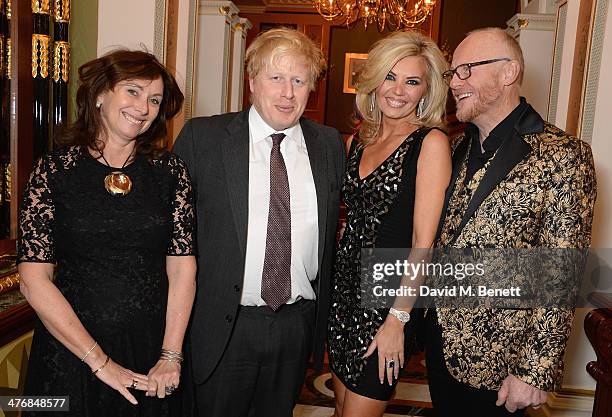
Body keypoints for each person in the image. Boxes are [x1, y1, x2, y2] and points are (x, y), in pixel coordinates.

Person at [172, 27, 344, 417]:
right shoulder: (204, 138)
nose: (288, 93)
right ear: (252, 82)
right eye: (276, 78)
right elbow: (169, 233)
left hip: (296, 324)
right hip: (222, 324)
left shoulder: (329, 144)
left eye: (299, 81)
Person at [425, 27, 597, 416]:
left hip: (501, 368)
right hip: (439, 345)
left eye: (466, 69)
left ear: (508, 72)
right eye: (453, 73)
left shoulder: (563, 155)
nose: (455, 83)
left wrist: (535, 371)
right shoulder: (454, 147)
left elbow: (562, 274)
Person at [17, 49, 196, 416]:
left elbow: (182, 270)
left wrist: (171, 356)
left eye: (154, 100)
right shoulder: (53, 173)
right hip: (69, 355)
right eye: (133, 91)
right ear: (100, 94)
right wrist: (100, 363)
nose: (143, 107)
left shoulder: (170, 173)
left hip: (152, 357)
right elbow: (34, 281)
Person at [328, 30, 451, 417]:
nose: (398, 90)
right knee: (341, 404)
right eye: (390, 77)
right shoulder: (357, 141)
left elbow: (423, 242)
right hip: (345, 292)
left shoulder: (429, 143)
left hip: (388, 299)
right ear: (374, 80)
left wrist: (397, 320)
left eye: (412, 81)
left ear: (426, 90)